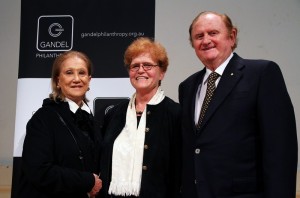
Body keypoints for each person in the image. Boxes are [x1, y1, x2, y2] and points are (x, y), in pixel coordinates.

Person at [179, 11, 298, 198]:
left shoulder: (262, 73)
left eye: (213, 33)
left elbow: (280, 149)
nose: (206, 40)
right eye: (199, 36)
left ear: (232, 36)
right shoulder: (187, 87)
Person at [99, 37, 182, 198]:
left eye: (148, 65)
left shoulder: (175, 114)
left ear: (162, 73)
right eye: (135, 66)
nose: (140, 70)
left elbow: (179, 170)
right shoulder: (113, 114)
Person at [17, 50, 102, 198]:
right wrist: (88, 181)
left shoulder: (93, 121)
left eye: (82, 73)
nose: (77, 79)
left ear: (89, 80)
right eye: (69, 72)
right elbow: (39, 171)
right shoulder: (43, 118)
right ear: (58, 81)